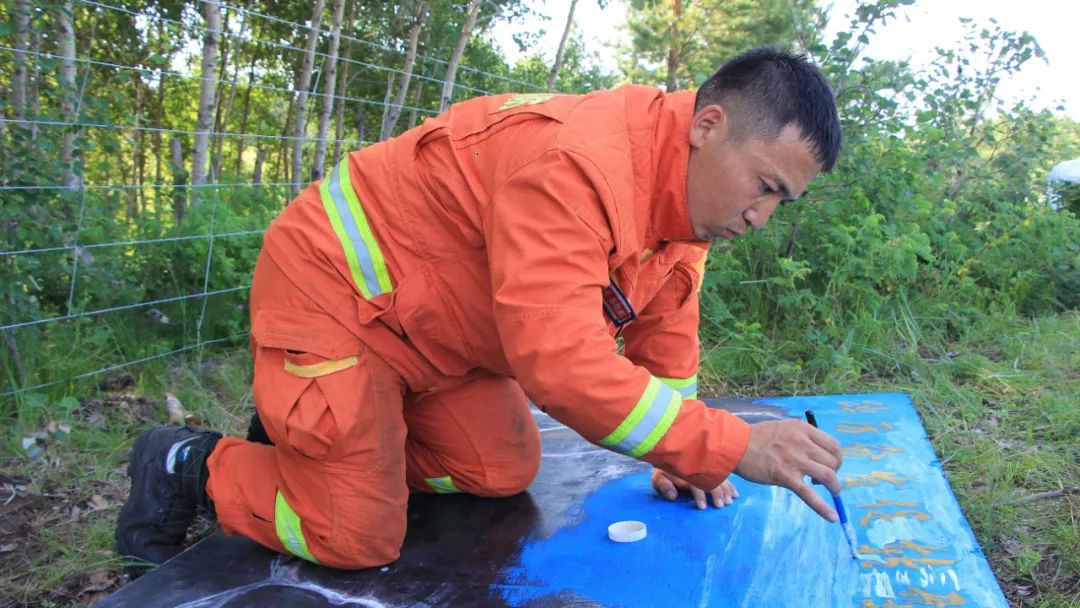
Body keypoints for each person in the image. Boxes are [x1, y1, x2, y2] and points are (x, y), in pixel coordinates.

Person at [116, 47, 845, 571]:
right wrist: (729, 444)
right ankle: (190, 465)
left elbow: (667, 345)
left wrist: (684, 459)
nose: (761, 217)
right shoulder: (578, 164)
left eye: (782, 202)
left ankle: (323, 440)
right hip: (339, 298)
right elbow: (560, 366)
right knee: (356, 535)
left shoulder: (684, 215)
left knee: (498, 470)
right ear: (707, 125)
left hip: (437, 342)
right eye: (765, 185)